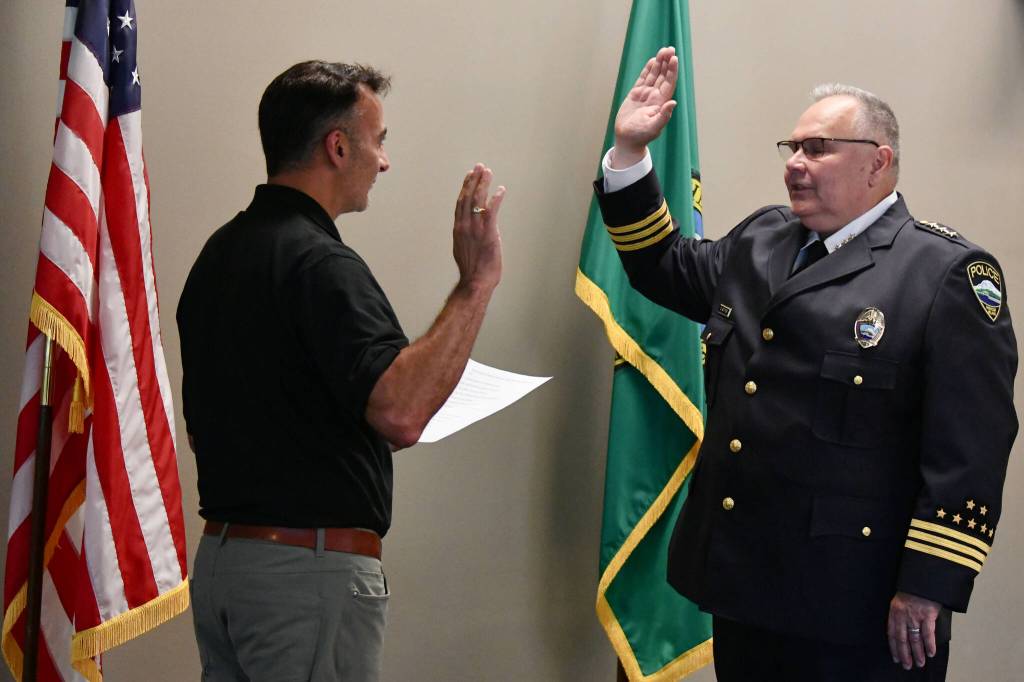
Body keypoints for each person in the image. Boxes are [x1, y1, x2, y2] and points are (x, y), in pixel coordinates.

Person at [593, 47, 1017, 681]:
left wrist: (929, 583)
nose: (795, 163)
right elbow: (660, 263)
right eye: (791, 147)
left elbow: (971, 449)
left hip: (856, 601)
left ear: (880, 162)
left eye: (818, 148)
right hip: (744, 584)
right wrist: (629, 153)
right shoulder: (762, 241)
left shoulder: (944, 274)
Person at [176, 61, 505, 682]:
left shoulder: (218, 256)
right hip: (305, 578)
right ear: (337, 145)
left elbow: (205, 430)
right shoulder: (322, 264)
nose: (383, 162)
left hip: (225, 566)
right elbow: (402, 412)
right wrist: (475, 285)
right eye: (379, 141)